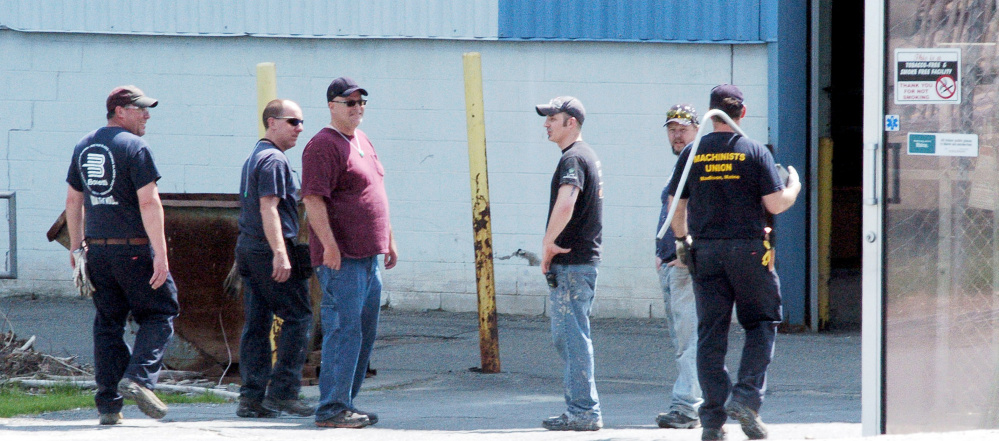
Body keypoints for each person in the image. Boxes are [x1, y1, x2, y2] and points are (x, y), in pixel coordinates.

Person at [667, 84, 801, 441]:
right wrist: (794, 186)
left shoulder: (692, 153)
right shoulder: (754, 151)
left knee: (711, 333)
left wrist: (683, 242)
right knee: (762, 322)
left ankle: (712, 421)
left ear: (711, 115)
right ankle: (744, 398)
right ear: (742, 113)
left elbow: (675, 207)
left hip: (706, 253)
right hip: (749, 252)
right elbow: (775, 205)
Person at [64, 85, 179, 425]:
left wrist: (76, 247)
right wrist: (160, 251)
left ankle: (109, 407)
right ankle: (140, 379)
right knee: (161, 312)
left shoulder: (84, 146)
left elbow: (74, 200)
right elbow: (149, 202)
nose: (147, 115)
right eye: (140, 109)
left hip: (97, 251)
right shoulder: (135, 147)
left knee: (108, 324)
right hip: (134, 251)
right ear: (119, 111)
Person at [302, 77, 398, 429]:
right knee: (344, 329)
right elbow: (313, 198)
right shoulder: (322, 146)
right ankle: (331, 407)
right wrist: (329, 245)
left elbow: (376, 189)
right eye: (349, 102)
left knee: (363, 332)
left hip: (368, 258)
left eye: (361, 102)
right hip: (342, 259)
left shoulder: (362, 140)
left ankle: (346, 403)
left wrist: (388, 237)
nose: (357, 108)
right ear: (331, 105)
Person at [234, 99, 315, 418]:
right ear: (272, 122)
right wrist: (281, 253)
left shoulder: (255, 156)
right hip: (269, 251)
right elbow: (268, 208)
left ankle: (251, 398)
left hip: (250, 249)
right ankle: (283, 392)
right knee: (298, 316)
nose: (300, 128)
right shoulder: (273, 160)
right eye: (293, 121)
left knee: (257, 322)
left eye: (301, 122)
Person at [535, 96, 604, 432]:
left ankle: (583, 411)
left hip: (573, 264)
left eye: (552, 117)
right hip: (579, 265)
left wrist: (548, 245)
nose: (546, 123)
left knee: (572, 337)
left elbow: (567, 201)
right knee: (570, 336)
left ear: (571, 122)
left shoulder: (574, 159)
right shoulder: (583, 155)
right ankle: (581, 409)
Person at [654, 104, 704, 430]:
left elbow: (702, 212)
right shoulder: (682, 167)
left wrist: (682, 250)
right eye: (672, 129)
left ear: (697, 130)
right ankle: (700, 402)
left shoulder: (698, 166)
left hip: (685, 266)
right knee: (683, 341)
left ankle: (688, 407)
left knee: (689, 340)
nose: (676, 134)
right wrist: (661, 255)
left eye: (683, 129)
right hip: (672, 266)